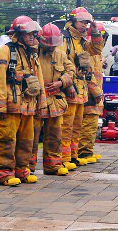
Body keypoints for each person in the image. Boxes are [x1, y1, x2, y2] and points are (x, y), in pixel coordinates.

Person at [0, 15, 47, 186]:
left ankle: (22, 170)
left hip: (28, 107)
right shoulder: (4, 51)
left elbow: (39, 80)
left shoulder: (31, 54)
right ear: (18, 33)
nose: (32, 37)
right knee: (6, 140)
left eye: (34, 34)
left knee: (27, 141)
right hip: (10, 108)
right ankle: (3, 173)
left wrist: (41, 105)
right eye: (29, 33)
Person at [59, 7, 103, 169]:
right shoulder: (65, 40)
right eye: (82, 22)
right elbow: (60, 64)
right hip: (69, 89)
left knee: (76, 126)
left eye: (87, 23)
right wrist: (67, 83)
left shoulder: (82, 42)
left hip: (81, 90)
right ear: (72, 22)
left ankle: (73, 156)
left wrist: (95, 30)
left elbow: (97, 49)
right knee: (66, 126)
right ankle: (63, 158)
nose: (85, 25)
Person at [30, 23, 75, 176]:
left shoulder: (60, 55)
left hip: (55, 102)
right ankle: (28, 168)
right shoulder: (32, 53)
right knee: (32, 137)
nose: (51, 48)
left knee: (55, 136)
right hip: (36, 102)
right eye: (48, 45)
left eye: (53, 45)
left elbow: (71, 71)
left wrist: (62, 82)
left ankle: (53, 166)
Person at [78, 23, 108, 163]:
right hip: (90, 94)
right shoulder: (90, 53)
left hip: (94, 94)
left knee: (91, 125)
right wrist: (96, 92)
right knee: (87, 125)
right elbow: (88, 75)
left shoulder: (97, 54)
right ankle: (83, 153)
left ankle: (87, 151)